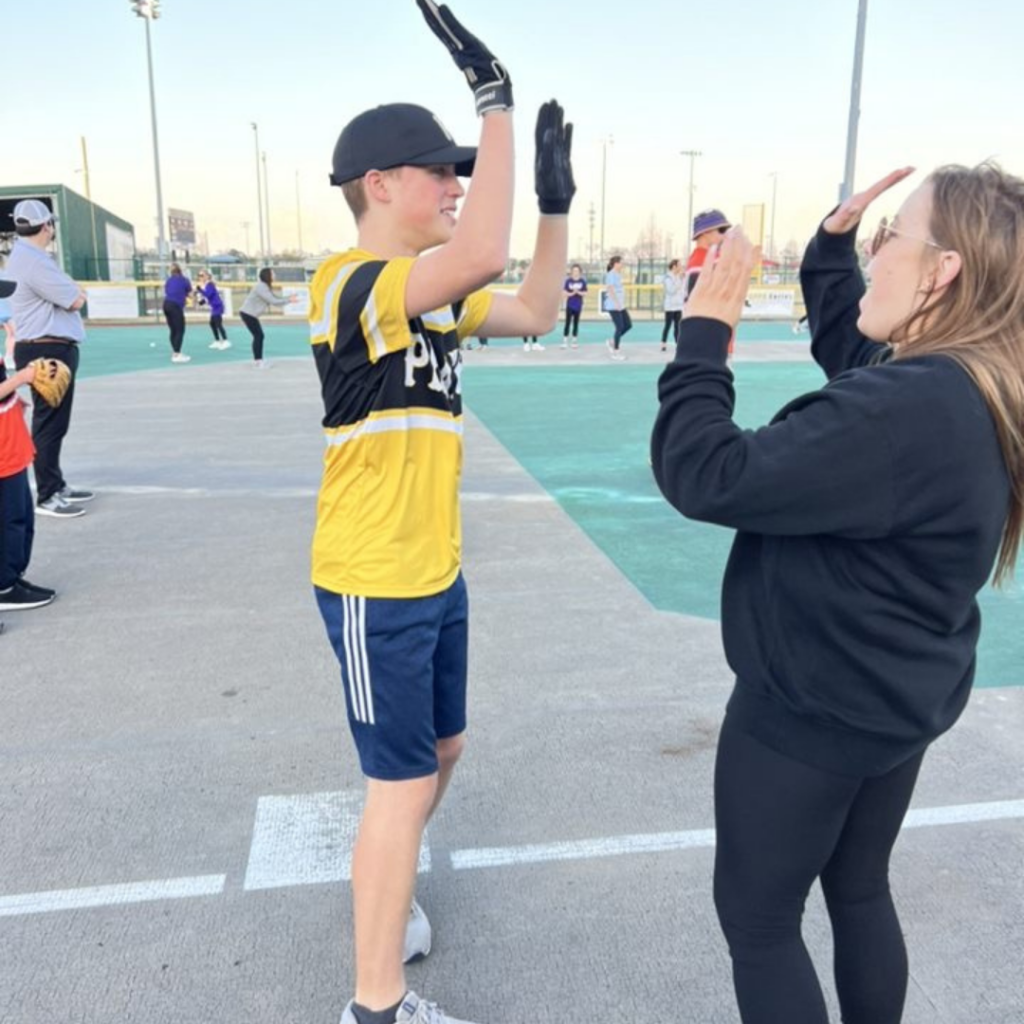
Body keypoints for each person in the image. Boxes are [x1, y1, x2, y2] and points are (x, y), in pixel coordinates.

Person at [651, 162, 1024, 1024]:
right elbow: (852, 347)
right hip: (895, 698)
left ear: (942, 271)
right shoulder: (969, 385)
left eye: (895, 233)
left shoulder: (909, 410)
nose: (881, 246)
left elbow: (704, 472)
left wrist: (705, 331)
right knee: (858, 890)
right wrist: (832, 247)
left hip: (817, 705)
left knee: (759, 918)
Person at [309, 3, 574, 1022]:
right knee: (398, 780)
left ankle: (387, 875)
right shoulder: (351, 286)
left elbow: (536, 308)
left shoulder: (423, 294)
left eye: (465, 165)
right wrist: (493, 105)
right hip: (375, 576)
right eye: (441, 171)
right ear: (380, 187)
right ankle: (374, 1004)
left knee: (441, 757)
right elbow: (480, 262)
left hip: (432, 568)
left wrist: (552, 204)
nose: (458, 185)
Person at [7, 199, 92, 519]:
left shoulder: (26, 257)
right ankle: (48, 493)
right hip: (48, 349)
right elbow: (74, 300)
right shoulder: (34, 261)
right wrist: (76, 292)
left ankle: (54, 483)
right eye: (51, 224)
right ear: (46, 227)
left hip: (45, 346)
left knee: (53, 422)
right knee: (50, 424)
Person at [1, 279, 55, 619]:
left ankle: (13, 576)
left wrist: (12, 396)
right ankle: (5, 585)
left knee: (21, 518)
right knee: (10, 521)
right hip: (2, 454)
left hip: (11, 445)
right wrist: (21, 378)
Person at [686, 208, 735, 357]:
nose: (724, 235)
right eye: (721, 230)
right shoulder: (701, 262)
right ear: (705, 232)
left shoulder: (712, 258)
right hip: (710, 344)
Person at [239, 268, 295, 368]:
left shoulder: (264, 286)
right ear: (267, 275)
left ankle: (258, 360)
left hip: (250, 314)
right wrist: (289, 300)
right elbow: (274, 301)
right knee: (259, 336)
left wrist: (289, 298)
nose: (274, 275)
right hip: (248, 314)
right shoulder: (261, 287)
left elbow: (275, 298)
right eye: (273, 273)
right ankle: (259, 361)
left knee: (259, 335)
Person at [604, 254, 631, 360]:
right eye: (621, 262)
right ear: (616, 264)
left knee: (628, 325)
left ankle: (612, 341)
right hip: (614, 306)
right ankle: (616, 352)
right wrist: (616, 303)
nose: (622, 264)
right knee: (619, 327)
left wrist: (621, 303)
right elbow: (610, 289)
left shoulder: (618, 274)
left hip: (620, 305)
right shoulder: (610, 274)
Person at [195, 270, 231, 350]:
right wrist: (201, 302)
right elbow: (209, 297)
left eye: (202, 275)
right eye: (200, 276)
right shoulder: (206, 285)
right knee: (212, 324)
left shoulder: (210, 284)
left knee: (218, 324)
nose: (201, 277)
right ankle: (217, 341)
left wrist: (200, 290)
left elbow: (208, 294)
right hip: (214, 307)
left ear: (207, 276)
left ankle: (226, 341)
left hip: (217, 306)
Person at [660, 257, 685, 351]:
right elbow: (671, 291)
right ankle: (663, 343)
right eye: (679, 265)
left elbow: (682, 290)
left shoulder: (680, 277)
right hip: (670, 306)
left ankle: (678, 344)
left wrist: (682, 279)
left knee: (678, 326)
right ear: (674, 266)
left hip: (678, 306)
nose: (681, 267)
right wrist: (680, 280)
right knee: (668, 325)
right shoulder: (667, 277)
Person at [562, 262, 586, 348]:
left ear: (580, 272)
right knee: (567, 323)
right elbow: (564, 293)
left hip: (578, 305)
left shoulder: (582, 281)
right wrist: (572, 293)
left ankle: (574, 341)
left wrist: (578, 292)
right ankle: (564, 341)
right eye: (574, 270)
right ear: (571, 272)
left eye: (577, 270)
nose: (575, 272)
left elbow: (585, 292)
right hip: (569, 305)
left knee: (576, 323)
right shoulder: (568, 281)